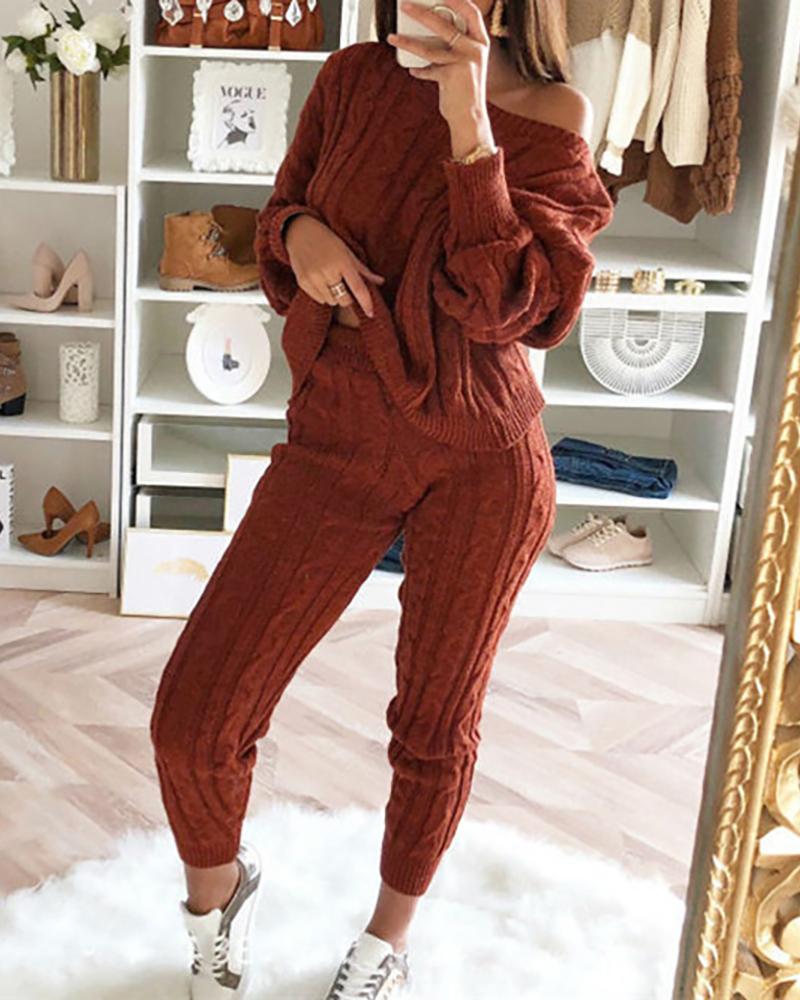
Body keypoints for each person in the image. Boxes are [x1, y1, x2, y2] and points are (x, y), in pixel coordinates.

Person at [148, 0, 614, 996]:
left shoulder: (554, 115)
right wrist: (302, 232)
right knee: (195, 715)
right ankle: (216, 903)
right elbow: (278, 213)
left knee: (434, 725)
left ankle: (385, 941)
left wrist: (470, 128)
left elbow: (513, 308)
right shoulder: (352, 79)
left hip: (484, 461)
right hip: (338, 438)